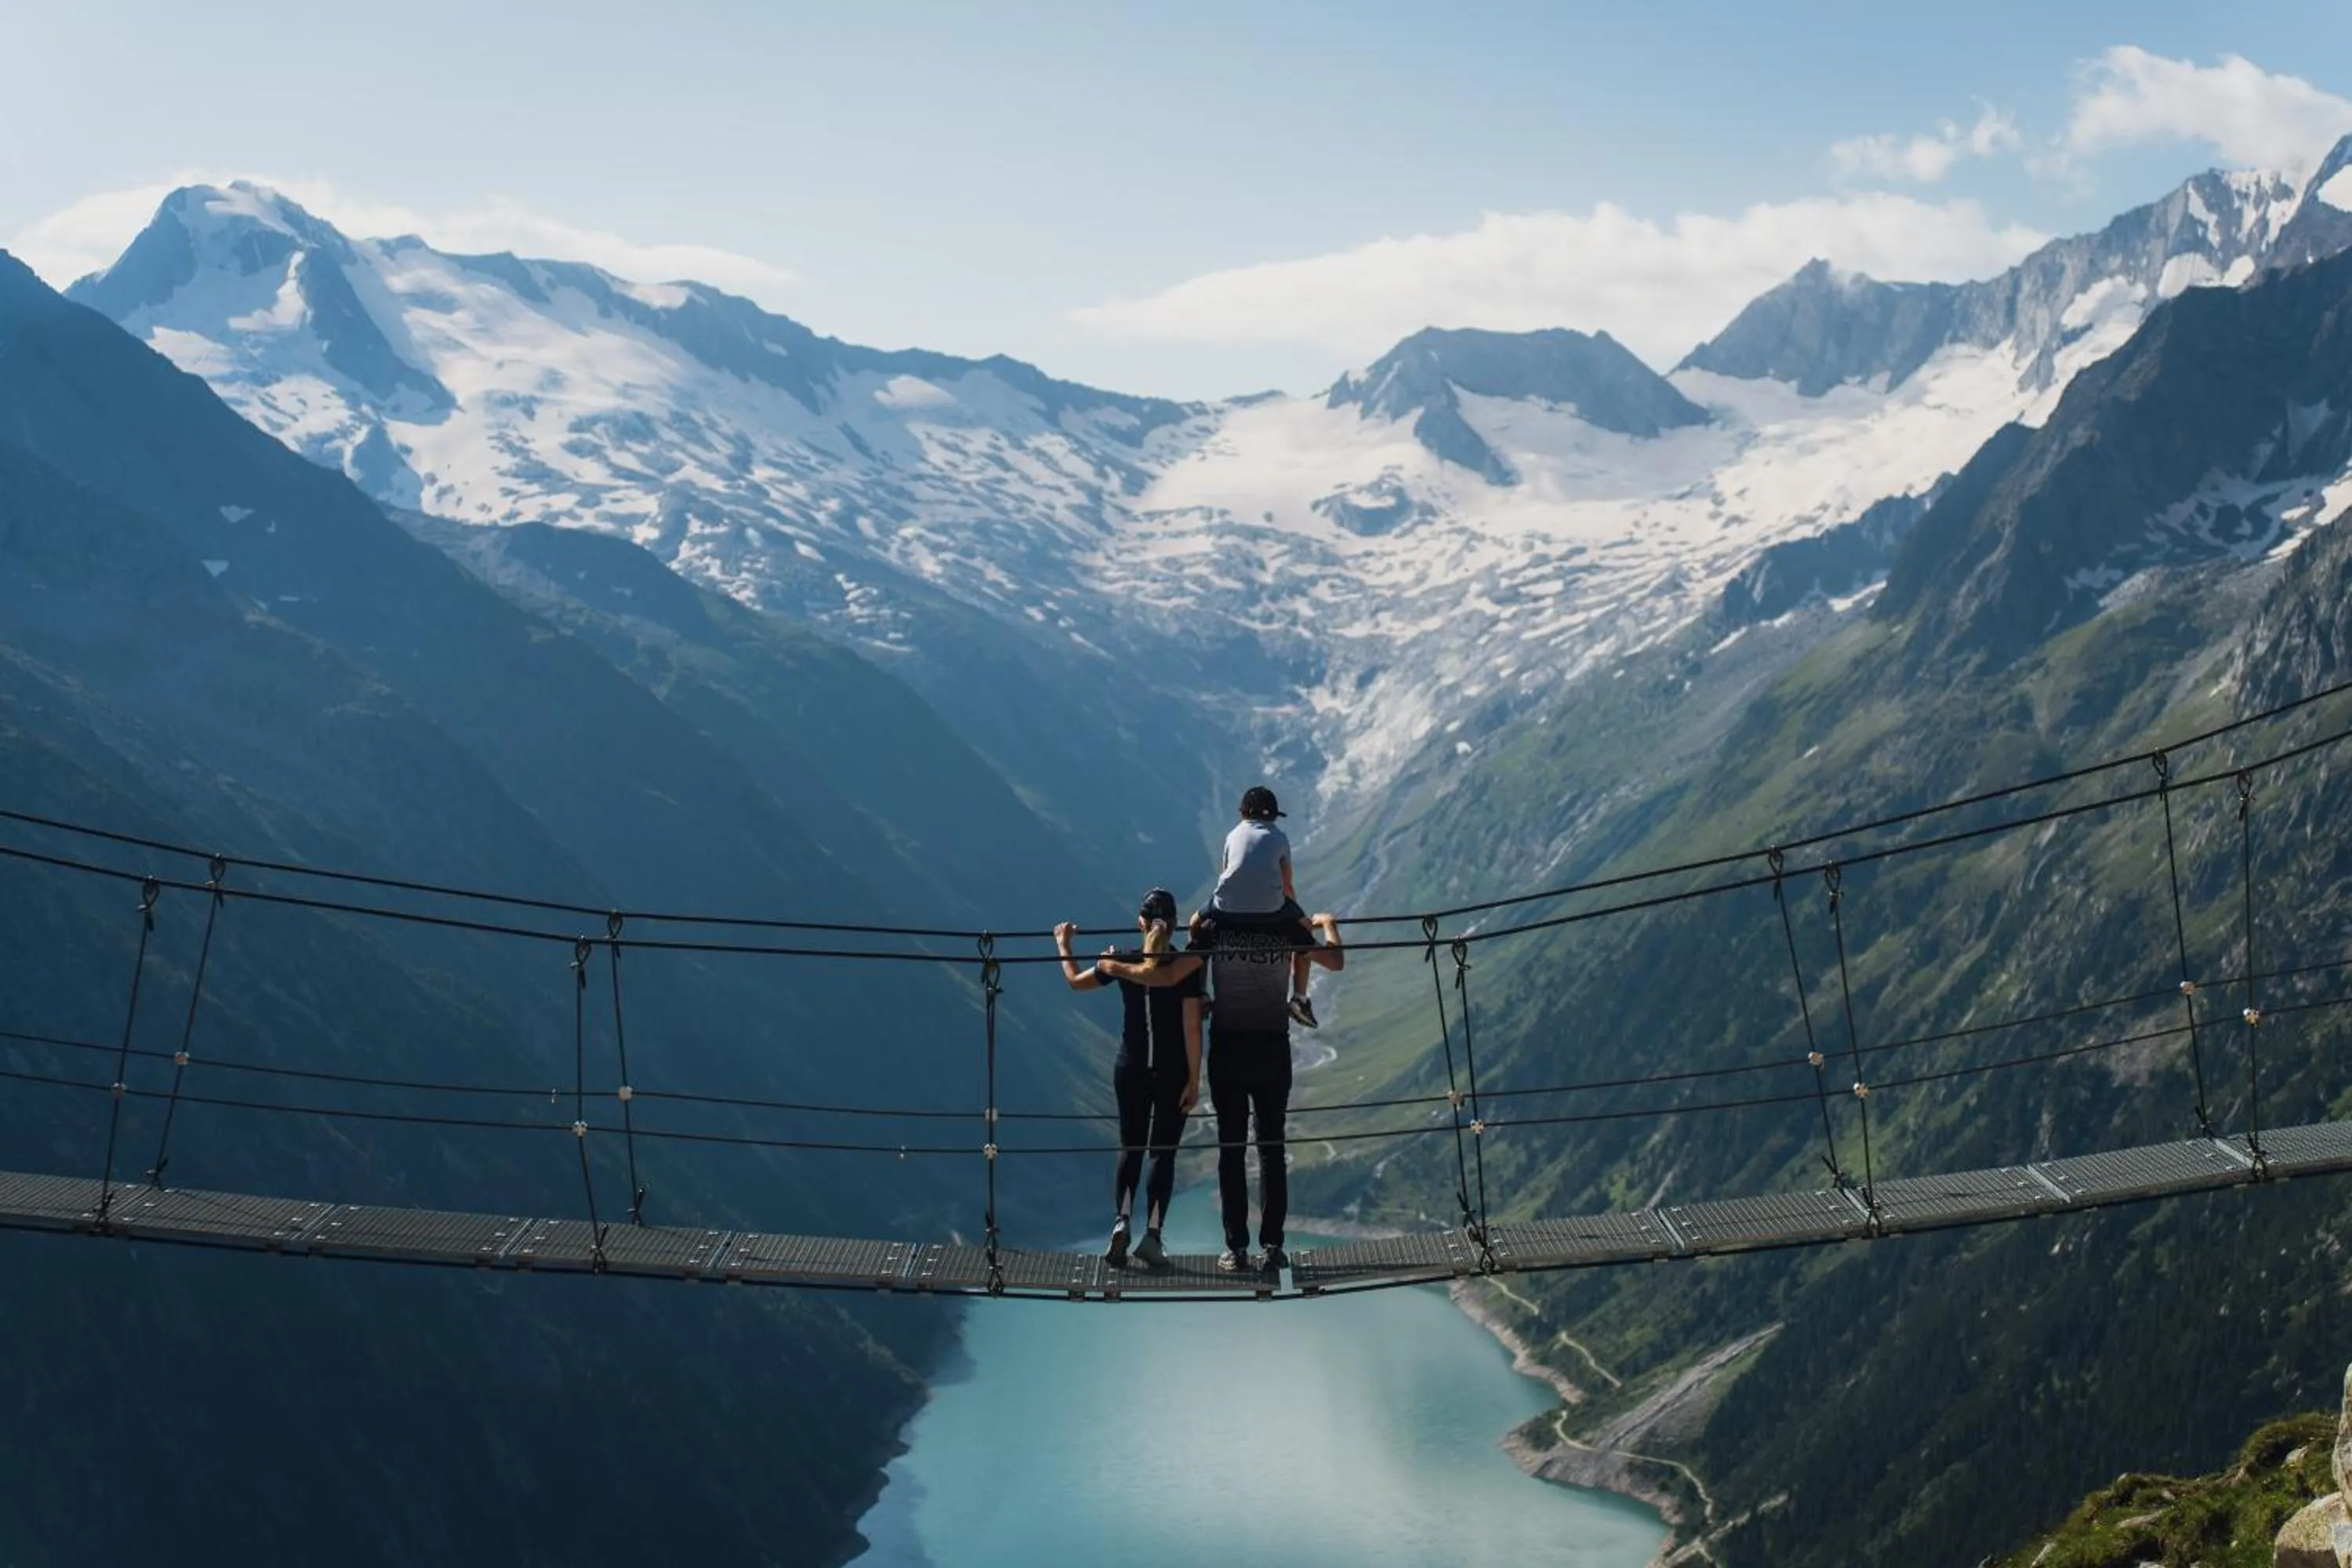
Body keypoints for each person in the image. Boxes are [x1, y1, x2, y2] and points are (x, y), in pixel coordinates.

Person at [1106, 906, 1344, 1273]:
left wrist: (1115, 966)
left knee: (1231, 1150)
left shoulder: (1216, 928)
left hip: (1228, 1048)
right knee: (1271, 1148)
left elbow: (1169, 976)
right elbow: (1335, 960)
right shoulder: (1286, 926)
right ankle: (1272, 1248)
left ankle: (1236, 1250)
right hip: (1272, 1047)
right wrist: (1328, 924)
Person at [1054, 889, 1203, 1269]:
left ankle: (1121, 1221)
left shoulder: (1118, 959)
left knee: (1130, 1145)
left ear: (1141, 924)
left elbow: (1074, 981)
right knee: (1162, 1153)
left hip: (1131, 1066)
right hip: (1172, 1070)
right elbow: (1191, 1027)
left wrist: (1063, 943)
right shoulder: (1186, 966)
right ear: (1173, 926)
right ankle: (1153, 1236)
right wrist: (1195, 1080)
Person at [1196, 784, 1319, 1029]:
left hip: (1227, 906)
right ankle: (1300, 998)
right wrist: (1293, 918)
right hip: (1271, 907)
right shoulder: (1279, 838)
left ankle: (1200, 991)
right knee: (1304, 934)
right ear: (1273, 816)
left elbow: (1226, 876)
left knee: (1196, 928)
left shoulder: (1232, 836)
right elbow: (1287, 884)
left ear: (1243, 812)